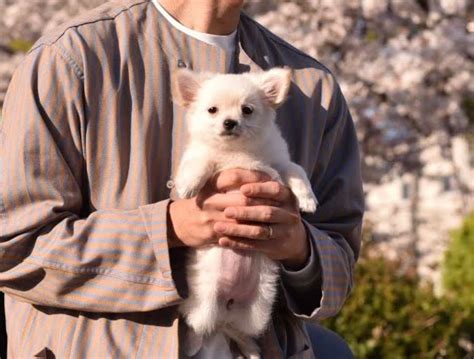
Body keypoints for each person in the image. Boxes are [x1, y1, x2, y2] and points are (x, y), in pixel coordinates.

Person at [0, 0, 364, 357]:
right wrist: (170, 229)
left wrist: (298, 246)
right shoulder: (72, 59)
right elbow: (12, 246)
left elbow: (340, 265)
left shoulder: (311, 87)